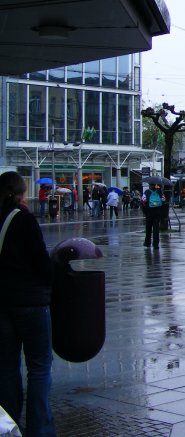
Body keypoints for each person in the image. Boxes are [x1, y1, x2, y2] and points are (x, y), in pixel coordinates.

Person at [0, 171, 57, 436]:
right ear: (22, 193)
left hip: (3, 303)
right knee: (38, 366)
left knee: (7, 366)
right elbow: (41, 262)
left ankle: (10, 425)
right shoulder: (23, 220)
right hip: (31, 303)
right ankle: (39, 429)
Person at [142, 183, 164, 249]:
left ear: (150, 186)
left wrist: (145, 211)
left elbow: (143, 201)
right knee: (156, 228)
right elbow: (163, 200)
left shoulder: (147, 192)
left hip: (149, 212)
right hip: (157, 212)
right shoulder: (160, 192)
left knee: (148, 228)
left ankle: (147, 242)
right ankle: (155, 244)